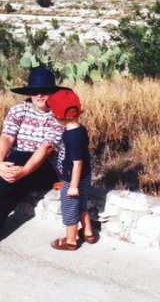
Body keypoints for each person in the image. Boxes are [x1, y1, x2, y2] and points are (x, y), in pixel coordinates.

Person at [0, 67, 69, 256]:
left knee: (20, 156)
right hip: (19, 168)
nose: (39, 95)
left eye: (45, 91)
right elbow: (7, 137)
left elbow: (46, 148)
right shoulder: (19, 109)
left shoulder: (60, 115)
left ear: (53, 92)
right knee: (9, 197)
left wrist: (23, 170)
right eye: (35, 91)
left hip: (47, 169)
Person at [46, 89, 96, 251]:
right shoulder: (79, 129)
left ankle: (71, 241)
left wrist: (72, 185)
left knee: (69, 209)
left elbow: (77, 162)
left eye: (53, 113)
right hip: (81, 178)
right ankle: (88, 233)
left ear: (63, 115)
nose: (52, 115)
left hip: (74, 180)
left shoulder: (72, 136)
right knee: (81, 205)